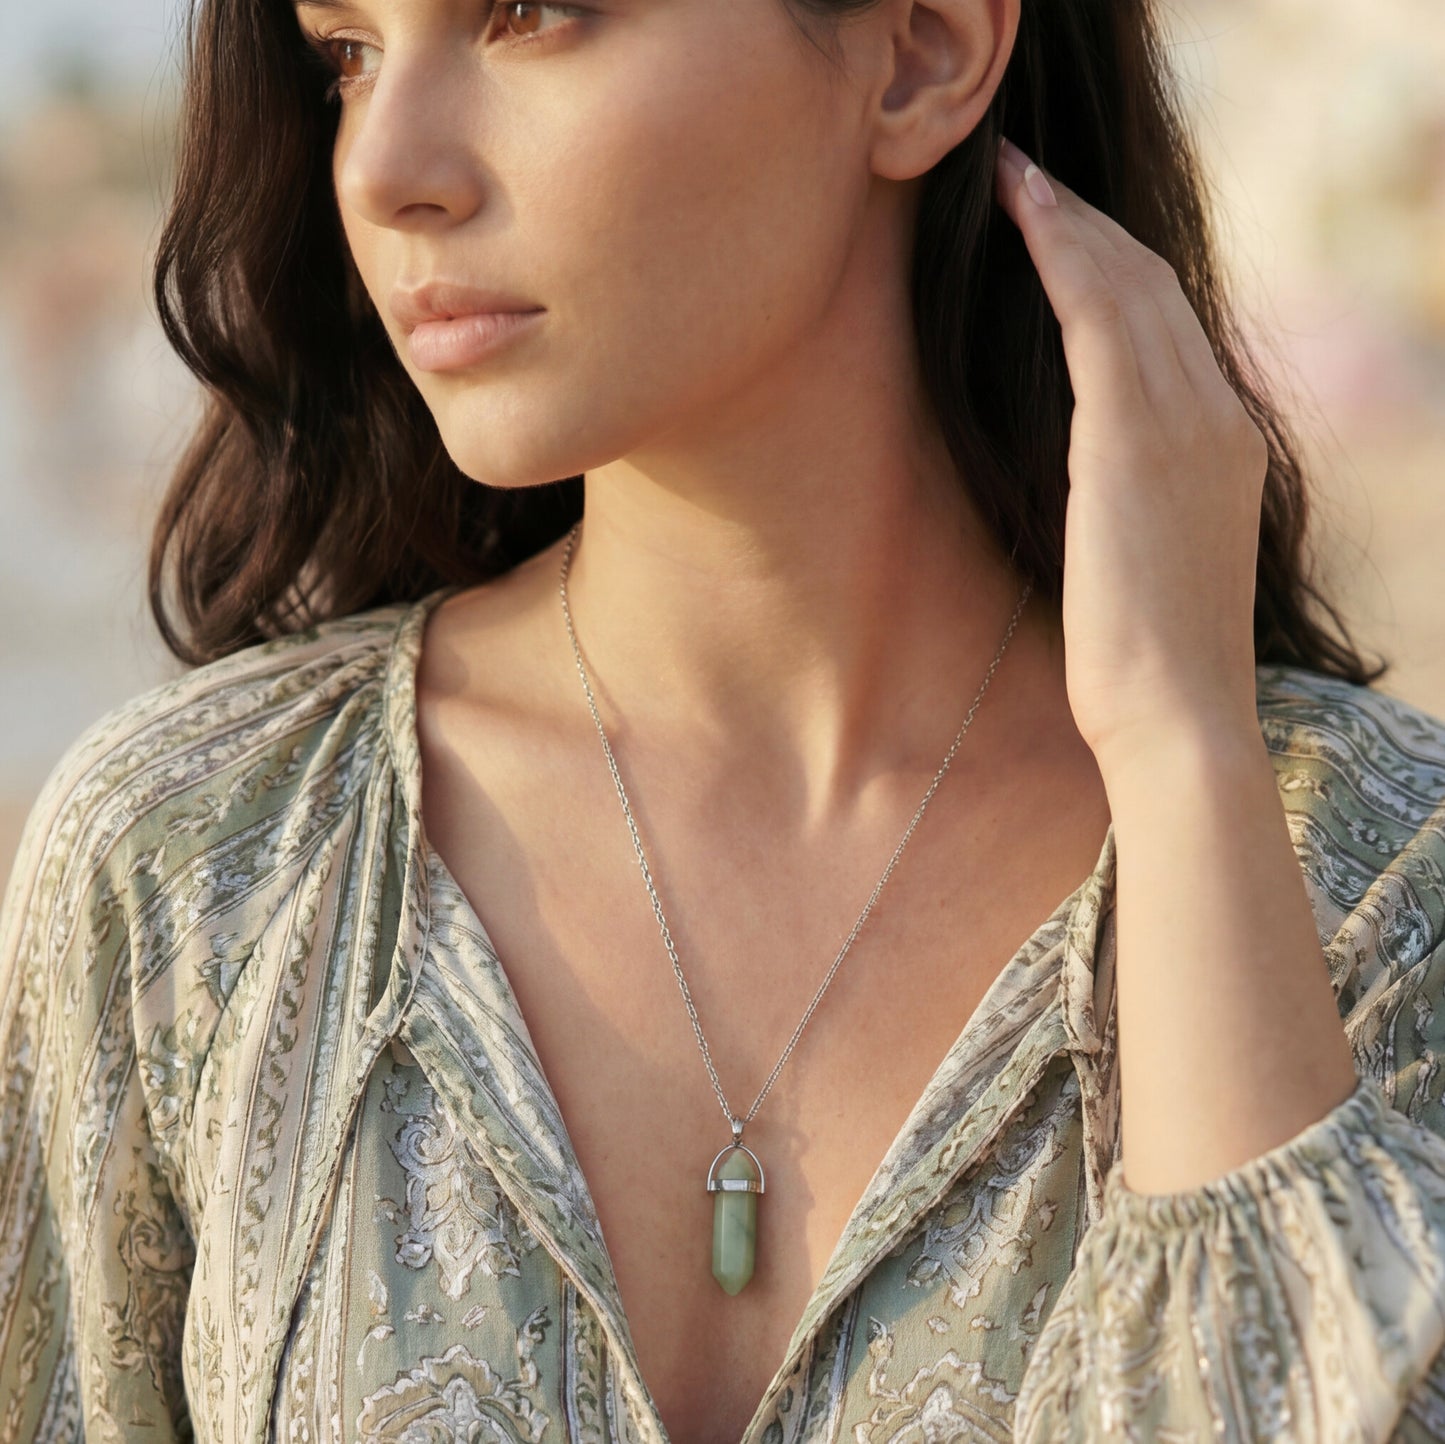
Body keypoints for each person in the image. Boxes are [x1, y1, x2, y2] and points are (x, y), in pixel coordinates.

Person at [2, 0, 1445, 1439]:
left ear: (922, 50)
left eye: (525, 15)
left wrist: (1184, 763)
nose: (384, 168)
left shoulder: (1382, 883)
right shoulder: (200, 865)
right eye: (347, 53)